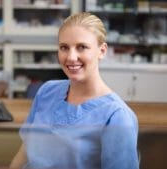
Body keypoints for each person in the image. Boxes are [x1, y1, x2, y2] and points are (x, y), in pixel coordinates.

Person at [9, 12, 139, 169]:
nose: (71, 57)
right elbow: (25, 151)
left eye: (81, 47)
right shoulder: (47, 91)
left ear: (102, 51)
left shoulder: (116, 116)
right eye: (64, 47)